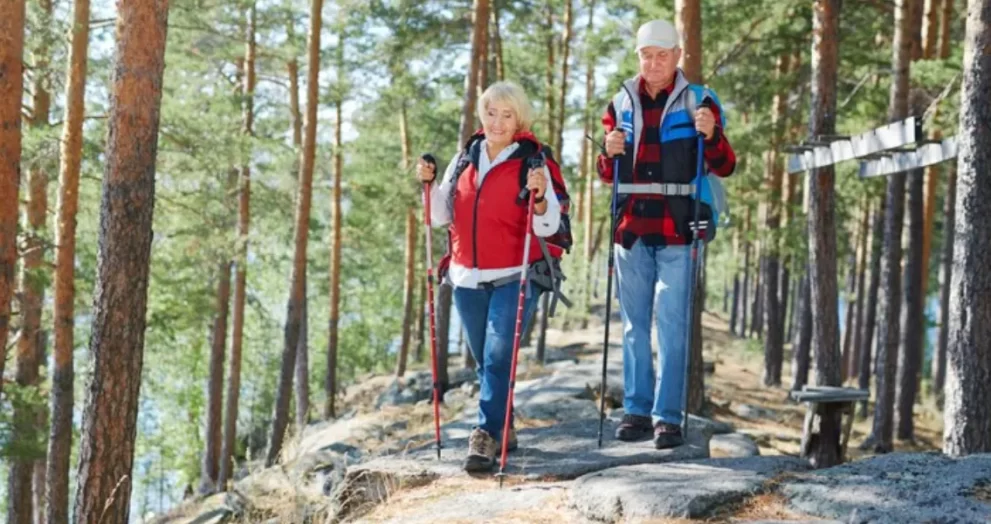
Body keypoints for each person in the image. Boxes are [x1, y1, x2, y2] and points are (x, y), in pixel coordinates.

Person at [597, 19, 737, 449]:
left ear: (677, 56)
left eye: (662, 55)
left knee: (672, 325)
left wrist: (711, 134)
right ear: (638, 57)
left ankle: (668, 418)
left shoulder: (701, 100)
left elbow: (725, 164)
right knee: (634, 327)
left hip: (679, 228)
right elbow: (608, 174)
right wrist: (608, 153)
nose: (653, 63)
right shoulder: (619, 103)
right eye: (646, 55)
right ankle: (636, 411)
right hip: (632, 229)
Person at [417, 81, 563, 472]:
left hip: (515, 275)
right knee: (486, 361)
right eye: (491, 112)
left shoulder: (534, 160)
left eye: (507, 114)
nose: (497, 122)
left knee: (499, 357)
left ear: (520, 119)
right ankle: (505, 426)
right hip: (466, 278)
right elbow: (439, 216)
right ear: (482, 114)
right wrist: (429, 186)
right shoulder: (465, 156)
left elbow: (550, 225)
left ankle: (484, 435)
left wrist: (542, 195)